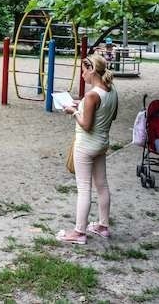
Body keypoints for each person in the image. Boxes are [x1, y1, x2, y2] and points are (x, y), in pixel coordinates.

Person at [56, 54, 118, 245]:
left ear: (92, 70)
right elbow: (112, 115)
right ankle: (103, 225)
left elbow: (86, 124)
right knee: (102, 184)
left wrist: (73, 111)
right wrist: (80, 105)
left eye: (83, 70)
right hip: (102, 144)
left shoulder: (92, 95)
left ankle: (79, 232)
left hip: (86, 145)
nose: (81, 74)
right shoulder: (111, 91)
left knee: (84, 188)